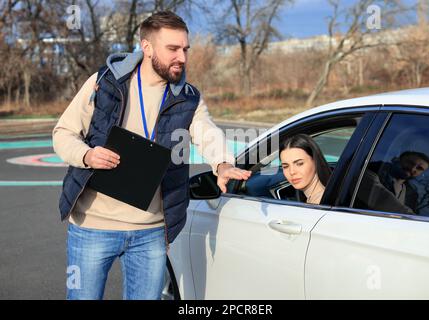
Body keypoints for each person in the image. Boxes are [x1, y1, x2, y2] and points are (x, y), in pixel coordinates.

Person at [53, 11, 251, 300]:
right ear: (146, 48)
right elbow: (62, 133)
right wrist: (87, 155)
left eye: (185, 49)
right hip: (92, 227)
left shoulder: (188, 96)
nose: (181, 57)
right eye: (172, 49)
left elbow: (206, 131)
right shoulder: (105, 82)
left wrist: (222, 163)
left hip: (152, 233)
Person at [279, 134, 331, 204]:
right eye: (285, 166)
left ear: (315, 161)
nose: (292, 172)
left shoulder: (320, 203)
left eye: (299, 164)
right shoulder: (319, 198)